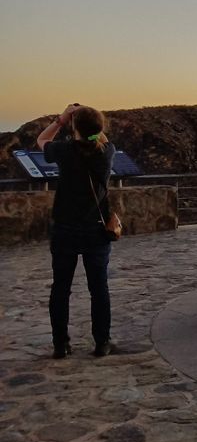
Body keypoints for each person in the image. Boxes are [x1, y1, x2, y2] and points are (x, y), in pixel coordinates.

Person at [36, 104, 116, 358]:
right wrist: (86, 122)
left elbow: (42, 139)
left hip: (64, 230)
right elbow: (99, 137)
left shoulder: (64, 150)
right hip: (96, 231)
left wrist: (61, 119)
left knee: (61, 288)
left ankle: (61, 344)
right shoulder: (107, 152)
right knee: (99, 289)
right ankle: (102, 342)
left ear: (74, 127)